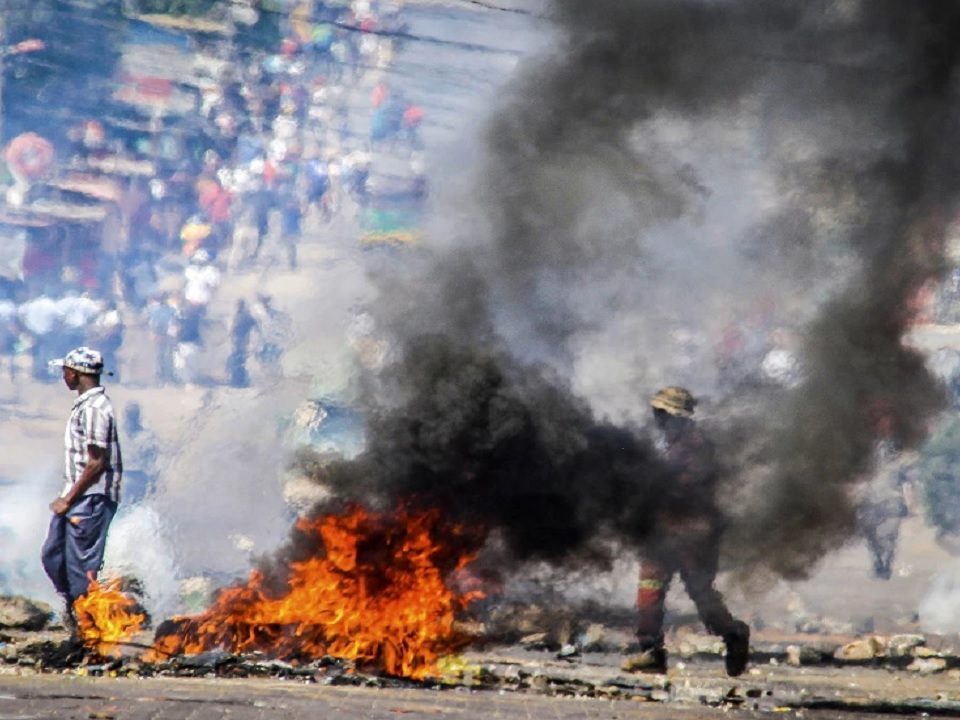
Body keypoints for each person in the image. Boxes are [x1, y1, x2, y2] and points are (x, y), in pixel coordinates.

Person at [623, 386, 749, 676]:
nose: (658, 419)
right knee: (649, 591)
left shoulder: (695, 446)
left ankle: (734, 635)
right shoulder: (671, 445)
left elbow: (686, 488)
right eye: (657, 413)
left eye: (663, 413)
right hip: (663, 532)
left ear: (678, 417)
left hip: (693, 534)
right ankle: (651, 651)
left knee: (701, 595)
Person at [41, 347, 123, 637]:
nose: (63, 376)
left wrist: (68, 498)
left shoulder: (96, 409)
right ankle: (76, 611)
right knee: (53, 556)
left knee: (81, 569)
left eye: (65, 371)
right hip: (79, 497)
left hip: (91, 499)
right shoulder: (85, 406)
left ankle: (89, 630)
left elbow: (97, 463)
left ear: (74, 374)